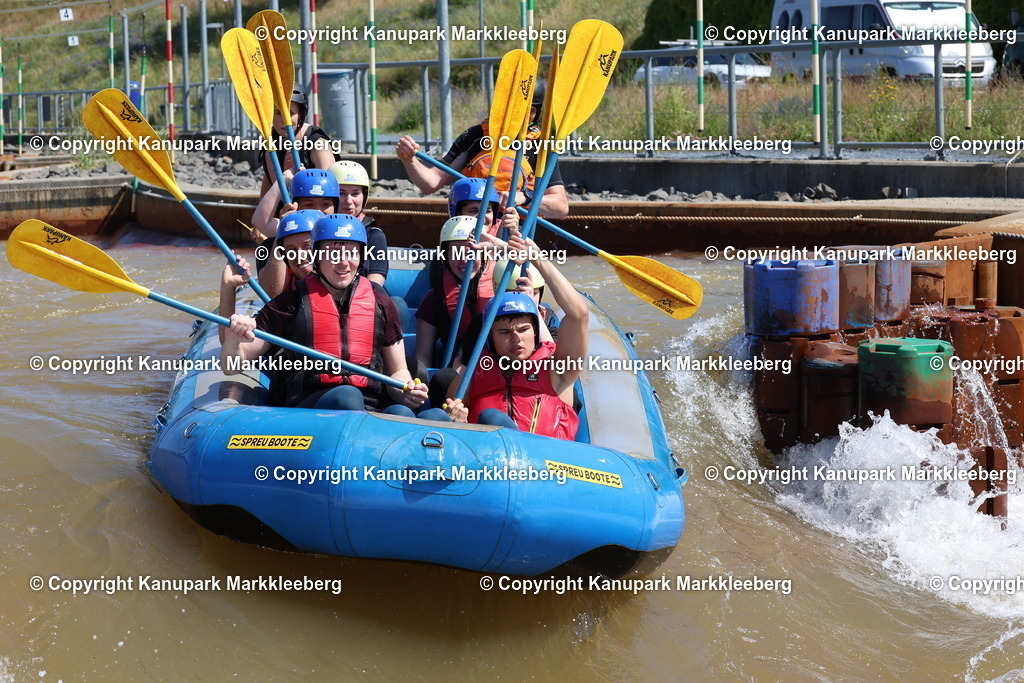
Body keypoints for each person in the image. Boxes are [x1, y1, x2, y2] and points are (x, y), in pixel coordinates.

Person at [222, 214, 431, 416]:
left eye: (351, 253)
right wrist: (233, 340)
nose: (343, 262)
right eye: (333, 254)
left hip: (369, 408)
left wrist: (405, 390)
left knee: (402, 411)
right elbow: (231, 367)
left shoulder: (382, 303)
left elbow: (398, 371)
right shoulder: (288, 304)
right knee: (347, 396)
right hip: (311, 408)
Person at [443, 231, 587, 440]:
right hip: (489, 463)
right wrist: (457, 425)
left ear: (536, 331)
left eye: (523, 330)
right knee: (440, 415)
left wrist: (537, 257)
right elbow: (452, 433)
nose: (516, 339)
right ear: (489, 336)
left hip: (543, 463)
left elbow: (579, 315)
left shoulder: (557, 370)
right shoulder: (470, 379)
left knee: (493, 419)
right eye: (504, 332)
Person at [395, 84, 569, 219]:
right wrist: (409, 160)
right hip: (474, 226)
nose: (521, 116)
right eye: (515, 108)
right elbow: (430, 183)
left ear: (535, 115)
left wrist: (525, 197)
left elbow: (560, 207)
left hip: (516, 230)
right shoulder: (475, 136)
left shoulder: (541, 145)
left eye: (529, 111)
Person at [251, 168, 339, 275]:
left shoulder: (345, 233)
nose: (318, 210)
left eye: (325, 204)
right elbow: (260, 221)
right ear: (295, 206)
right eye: (309, 205)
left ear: (335, 207)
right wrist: (284, 179)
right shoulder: (289, 230)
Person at [257, 90, 335, 200]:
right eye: (278, 113)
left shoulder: (318, 144)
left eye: (291, 113)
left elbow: (330, 194)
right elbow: (267, 191)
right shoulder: (270, 142)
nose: (285, 120)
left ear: (301, 115)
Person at [328, 160, 388, 285]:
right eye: (341, 193)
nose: (349, 201)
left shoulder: (374, 235)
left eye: (355, 193)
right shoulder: (317, 231)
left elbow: (375, 284)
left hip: (361, 299)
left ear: (364, 196)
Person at [493, 260, 560, 339]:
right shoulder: (486, 320)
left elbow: (551, 349)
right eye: (516, 294)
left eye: (534, 293)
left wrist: (533, 309)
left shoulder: (549, 318)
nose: (525, 300)